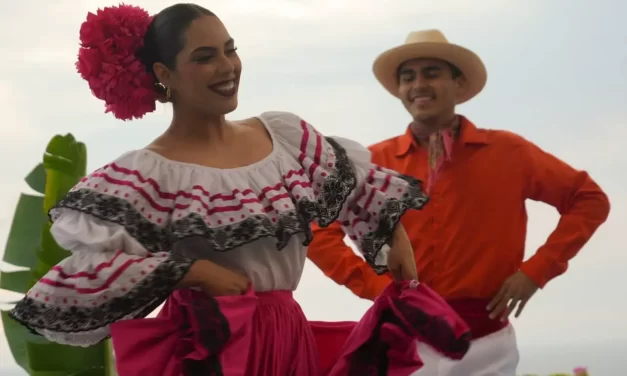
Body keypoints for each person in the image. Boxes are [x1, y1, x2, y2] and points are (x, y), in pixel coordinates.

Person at [8, 5, 473, 376]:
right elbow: (80, 279)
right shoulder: (145, 175)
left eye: (230, 49)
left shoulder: (284, 136)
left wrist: (394, 238)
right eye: (204, 57)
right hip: (209, 349)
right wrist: (191, 271)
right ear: (163, 74)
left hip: (285, 336)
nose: (227, 66)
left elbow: (361, 190)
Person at [307, 29, 611, 375]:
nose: (418, 84)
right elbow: (318, 230)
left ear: (459, 85)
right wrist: (377, 286)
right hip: (405, 340)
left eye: (432, 73)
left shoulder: (509, 152)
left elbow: (588, 199)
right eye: (408, 77)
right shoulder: (374, 163)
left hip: (487, 344)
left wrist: (536, 272)